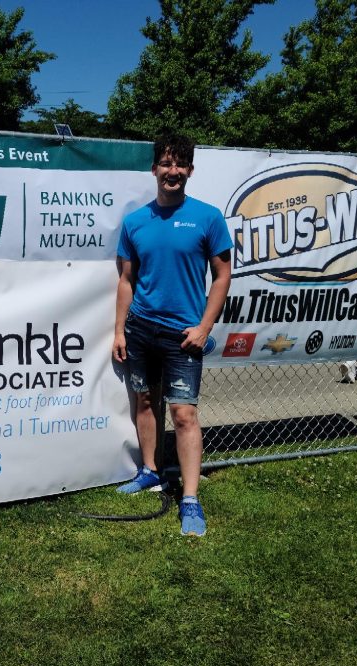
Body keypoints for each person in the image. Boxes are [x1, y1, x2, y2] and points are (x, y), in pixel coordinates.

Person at [112, 134, 232, 537]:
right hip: (141, 330)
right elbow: (126, 280)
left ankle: (191, 500)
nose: (173, 171)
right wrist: (120, 331)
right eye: (165, 164)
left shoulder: (208, 217)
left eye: (180, 164)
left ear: (190, 171)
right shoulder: (134, 222)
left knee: (183, 414)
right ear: (154, 170)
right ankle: (150, 471)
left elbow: (222, 276)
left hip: (184, 335)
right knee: (144, 401)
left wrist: (205, 327)